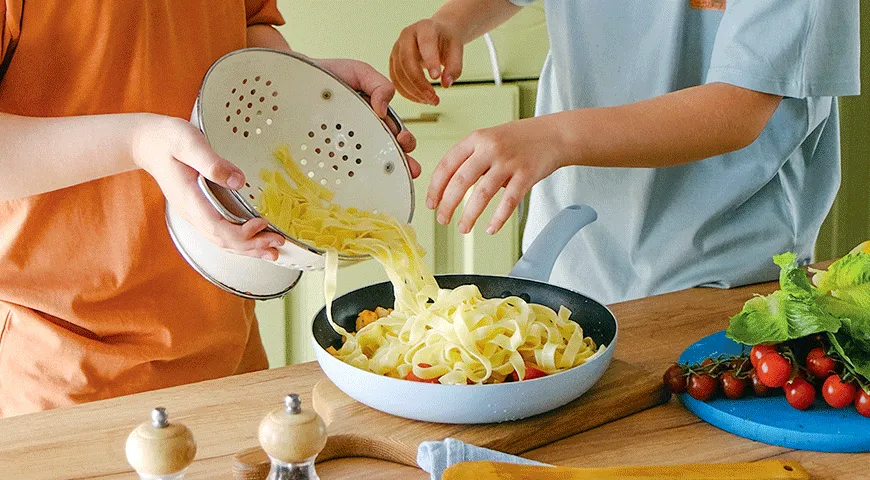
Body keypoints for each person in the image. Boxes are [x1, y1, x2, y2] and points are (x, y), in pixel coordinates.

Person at [0, 1, 419, 417]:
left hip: (228, 349)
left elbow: (246, 25)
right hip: (64, 373)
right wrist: (138, 142)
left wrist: (298, 84)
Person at [390, 0, 860, 305]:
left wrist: (554, 137)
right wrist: (449, 22)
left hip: (726, 275)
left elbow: (739, 107)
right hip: (574, 256)